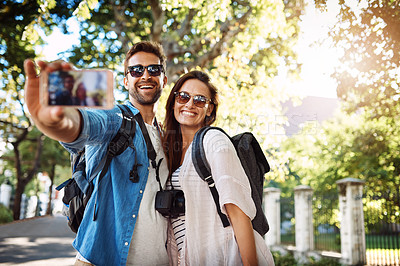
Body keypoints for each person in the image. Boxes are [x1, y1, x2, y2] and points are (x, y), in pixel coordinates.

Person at [24, 41, 170, 265]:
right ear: (126, 80)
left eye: (154, 69)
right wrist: (57, 121)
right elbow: (86, 124)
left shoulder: (167, 137)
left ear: (164, 79)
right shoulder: (117, 118)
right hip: (100, 259)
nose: (146, 75)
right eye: (136, 70)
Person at [162, 71, 275, 265]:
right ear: (173, 101)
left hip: (226, 256)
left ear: (209, 109)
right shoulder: (169, 152)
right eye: (183, 97)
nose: (189, 104)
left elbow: (238, 211)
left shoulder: (214, 141)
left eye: (199, 100)